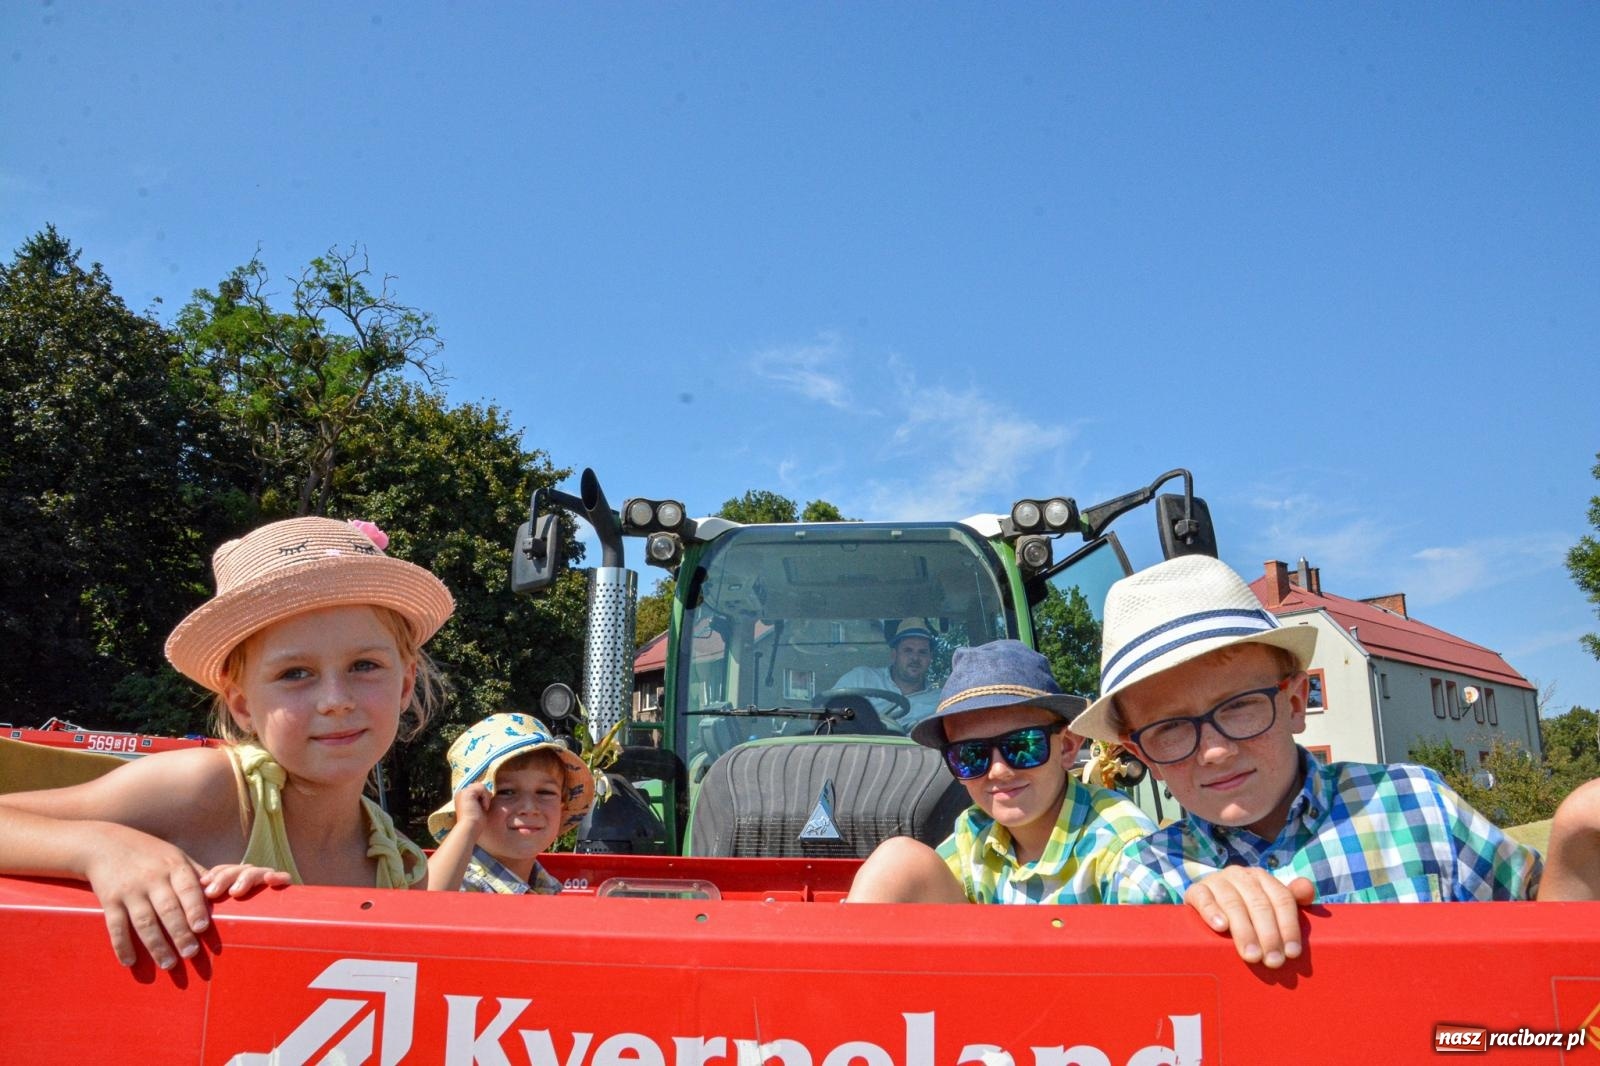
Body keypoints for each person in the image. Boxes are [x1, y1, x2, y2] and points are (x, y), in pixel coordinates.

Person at [0, 516, 453, 970]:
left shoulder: (404, 866)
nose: (335, 701)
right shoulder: (206, 789)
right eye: (295, 673)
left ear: (405, 682)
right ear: (241, 704)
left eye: (364, 665)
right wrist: (99, 846)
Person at [1069, 554, 1545, 969]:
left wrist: (1579, 839)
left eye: (1239, 705)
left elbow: (1549, 940)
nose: (1215, 750)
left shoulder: (1418, 809)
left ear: (1295, 703)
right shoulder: (1148, 878)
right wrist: (1184, 932)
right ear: (1141, 754)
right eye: (1169, 729)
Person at [846, 640, 1155, 903]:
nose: (997, 770)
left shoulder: (1124, 848)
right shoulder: (975, 832)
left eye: (1022, 746)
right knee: (897, 861)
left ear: (1068, 747)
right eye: (971, 755)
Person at [426, 712, 595, 894]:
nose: (530, 808)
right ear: (472, 806)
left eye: (545, 792)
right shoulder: (458, 881)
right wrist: (468, 825)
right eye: (506, 792)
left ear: (562, 807)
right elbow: (421, 906)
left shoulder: (548, 887)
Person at [832, 621, 942, 731]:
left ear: (930, 658)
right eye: (908, 650)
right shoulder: (860, 679)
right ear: (894, 655)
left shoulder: (941, 701)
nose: (915, 658)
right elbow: (823, 716)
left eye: (922, 652)